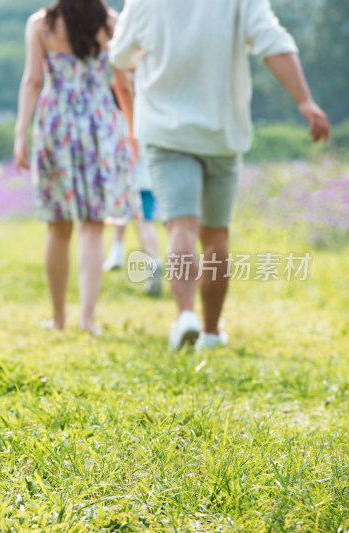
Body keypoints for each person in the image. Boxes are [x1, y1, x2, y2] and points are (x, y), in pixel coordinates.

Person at [109, 0, 330, 350]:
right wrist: (304, 100)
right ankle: (211, 333)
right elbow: (274, 42)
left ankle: (185, 316)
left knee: (180, 225)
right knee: (215, 236)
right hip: (222, 133)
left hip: (166, 132)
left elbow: (120, 56)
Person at [14, 0, 141, 333]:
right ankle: (87, 319)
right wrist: (132, 130)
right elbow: (123, 85)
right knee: (93, 224)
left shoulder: (41, 25)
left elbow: (32, 81)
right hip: (99, 123)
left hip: (55, 123)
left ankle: (58, 318)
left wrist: (20, 134)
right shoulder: (112, 23)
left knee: (58, 226)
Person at [105, 71, 163, 297]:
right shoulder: (149, 112)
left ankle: (116, 251)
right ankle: (153, 261)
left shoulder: (117, 117)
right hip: (148, 179)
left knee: (121, 214)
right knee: (145, 223)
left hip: (126, 178)